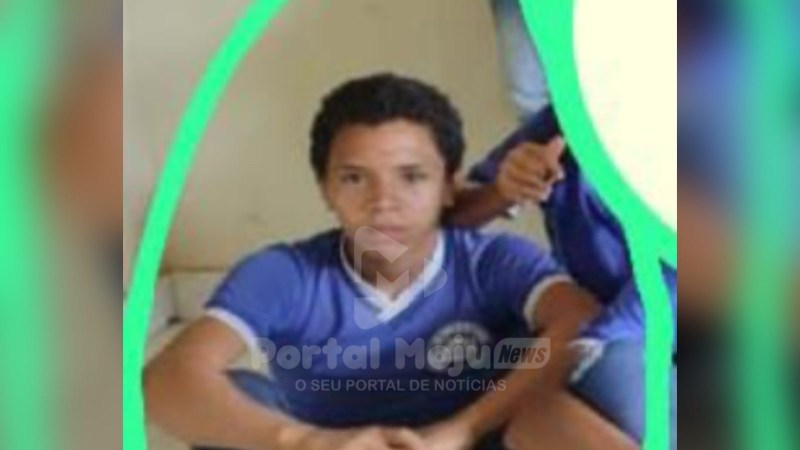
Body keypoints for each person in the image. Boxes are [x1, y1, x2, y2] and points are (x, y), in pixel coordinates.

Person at [144, 73, 636, 450]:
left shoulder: (490, 261)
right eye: (355, 178)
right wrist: (310, 442)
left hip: (471, 442)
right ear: (325, 189)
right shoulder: (285, 274)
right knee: (234, 397)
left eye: (412, 177)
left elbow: (578, 318)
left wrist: (460, 431)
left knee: (563, 406)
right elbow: (164, 380)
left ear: (449, 187)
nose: (383, 202)